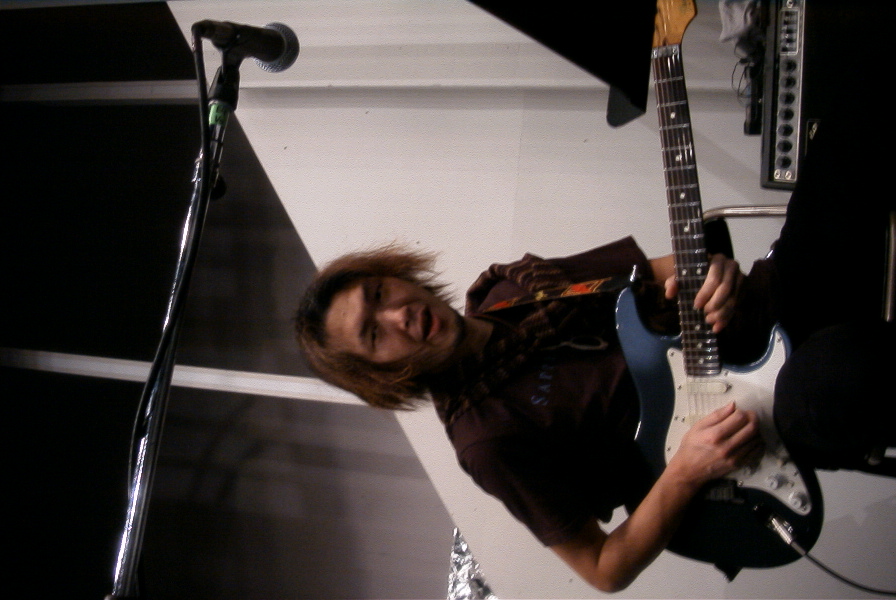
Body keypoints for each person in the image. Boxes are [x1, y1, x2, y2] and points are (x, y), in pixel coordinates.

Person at [295, 121, 894, 592]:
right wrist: (687, 471)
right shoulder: (487, 439)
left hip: (771, 303)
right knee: (840, 374)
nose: (398, 316)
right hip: (770, 416)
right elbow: (603, 567)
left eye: (379, 294)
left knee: (848, 130)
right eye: (373, 335)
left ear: (396, 274)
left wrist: (713, 274)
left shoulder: (509, 288)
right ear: (381, 376)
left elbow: (662, 272)